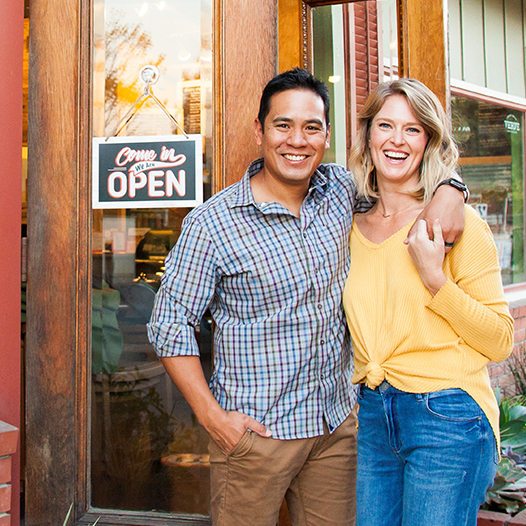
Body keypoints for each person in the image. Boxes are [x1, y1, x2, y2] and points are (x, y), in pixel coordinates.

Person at [147, 69, 466, 526]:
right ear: (260, 130)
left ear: (327, 135)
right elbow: (169, 325)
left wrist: (452, 190)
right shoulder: (213, 224)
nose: (297, 140)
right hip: (256, 436)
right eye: (283, 125)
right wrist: (213, 418)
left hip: (336, 430)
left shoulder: (340, 191)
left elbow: (407, 169)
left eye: (311, 127)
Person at [343, 77, 514, 526]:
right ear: (367, 134)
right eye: (385, 126)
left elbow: (500, 341)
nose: (397, 140)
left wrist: (436, 278)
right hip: (375, 416)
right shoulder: (346, 225)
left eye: (413, 129)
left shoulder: (458, 226)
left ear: (428, 142)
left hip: (447, 416)